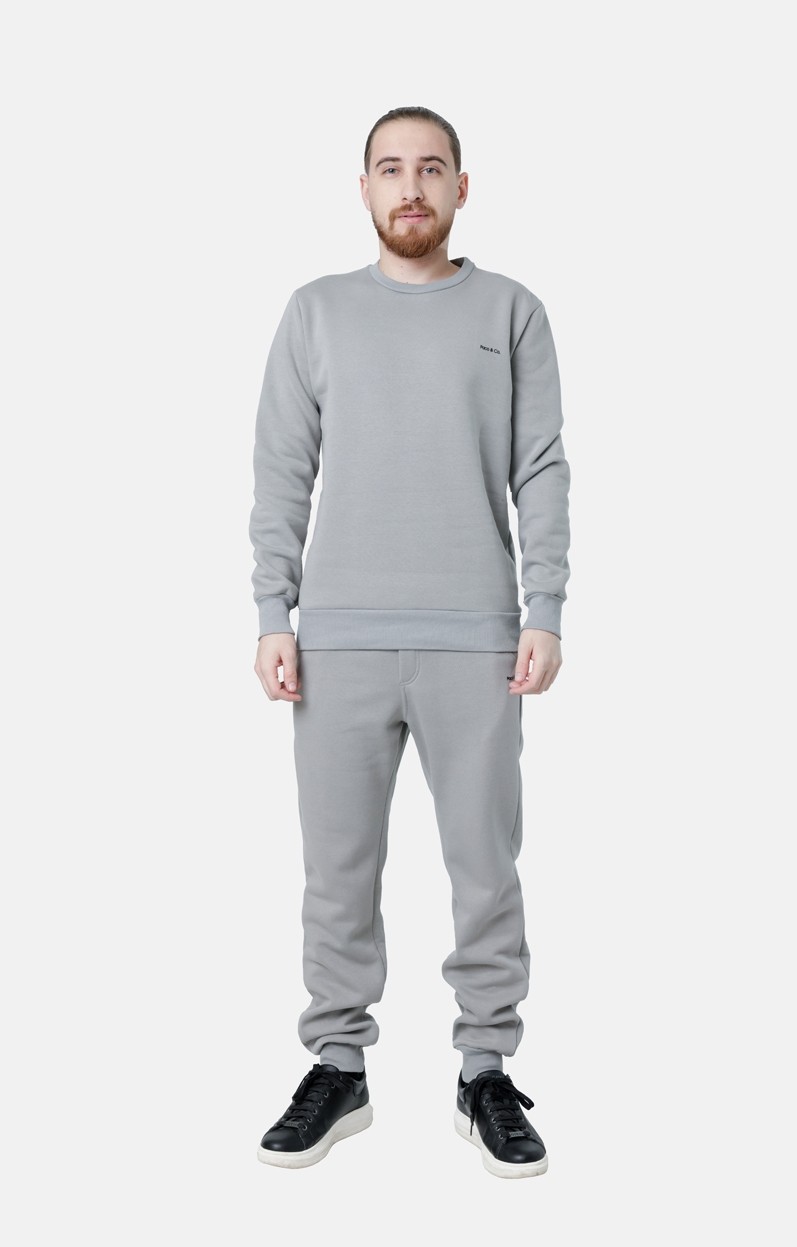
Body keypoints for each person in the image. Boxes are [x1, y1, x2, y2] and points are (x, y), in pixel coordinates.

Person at [249, 105, 571, 1179]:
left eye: (431, 168)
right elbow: (281, 469)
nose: (411, 186)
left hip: (477, 637)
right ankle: (337, 1066)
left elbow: (541, 467)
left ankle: (485, 1069)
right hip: (336, 639)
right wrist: (273, 615)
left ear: (461, 188)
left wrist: (543, 608)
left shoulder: (511, 310)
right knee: (336, 869)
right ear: (365, 189)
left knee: (485, 865)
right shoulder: (317, 312)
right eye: (390, 168)